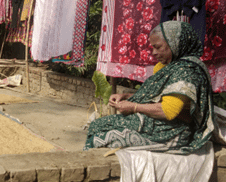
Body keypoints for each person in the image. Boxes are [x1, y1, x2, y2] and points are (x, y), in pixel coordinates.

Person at [84, 21, 216, 153]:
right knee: (97, 125)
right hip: (156, 123)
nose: (154, 52)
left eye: (158, 47)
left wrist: (133, 107)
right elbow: (157, 97)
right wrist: (126, 97)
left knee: (99, 137)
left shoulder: (186, 72)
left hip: (173, 131)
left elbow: (168, 111)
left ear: (175, 44)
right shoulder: (167, 66)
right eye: (153, 47)